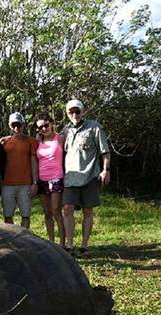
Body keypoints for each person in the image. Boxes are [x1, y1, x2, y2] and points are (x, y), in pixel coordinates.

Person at [62, 99, 111, 256]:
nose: (75, 114)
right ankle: (69, 246)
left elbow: (105, 151)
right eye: (71, 112)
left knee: (87, 210)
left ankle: (84, 246)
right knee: (67, 209)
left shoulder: (94, 127)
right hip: (70, 177)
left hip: (90, 175)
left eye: (77, 111)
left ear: (83, 111)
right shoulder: (65, 130)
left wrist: (105, 170)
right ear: (67, 113)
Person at [0, 112, 39, 229]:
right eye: (14, 125)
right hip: (7, 184)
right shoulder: (4, 142)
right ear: (10, 126)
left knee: (25, 215)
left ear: (23, 125)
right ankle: (11, 239)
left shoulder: (31, 141)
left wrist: (35, 183)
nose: (17, 128)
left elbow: (34, 162)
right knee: (7, 215)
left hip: (25, 184)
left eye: (19, 125)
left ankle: (25, 239)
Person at [34, 113, 65, 247]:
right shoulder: (38, 141)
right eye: (40, 127)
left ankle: (63, 242)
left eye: (46, 125)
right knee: (47, 212)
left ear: (51, 123)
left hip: (56, 178)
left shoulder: (60, 138)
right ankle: (51, 242)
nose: (44, 129)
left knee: (55, 210)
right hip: (42, 180)